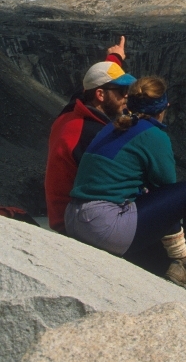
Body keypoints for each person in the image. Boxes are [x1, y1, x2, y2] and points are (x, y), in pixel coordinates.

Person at [65, 75, 186, 312]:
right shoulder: (153, 134)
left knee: (161, 264)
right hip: (104, 225)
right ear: (163, 107)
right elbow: (167, 188)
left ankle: (181, 265)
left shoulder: (111, 127)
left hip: (75, 220)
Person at [45, 36, 134, 233]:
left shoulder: (72, 111)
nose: (126, 95)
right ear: (101, 95)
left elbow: (90, 86)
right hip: (74, 222)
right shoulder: (92, 134)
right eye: (121, 90)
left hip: (62, 215)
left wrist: (114, 58)